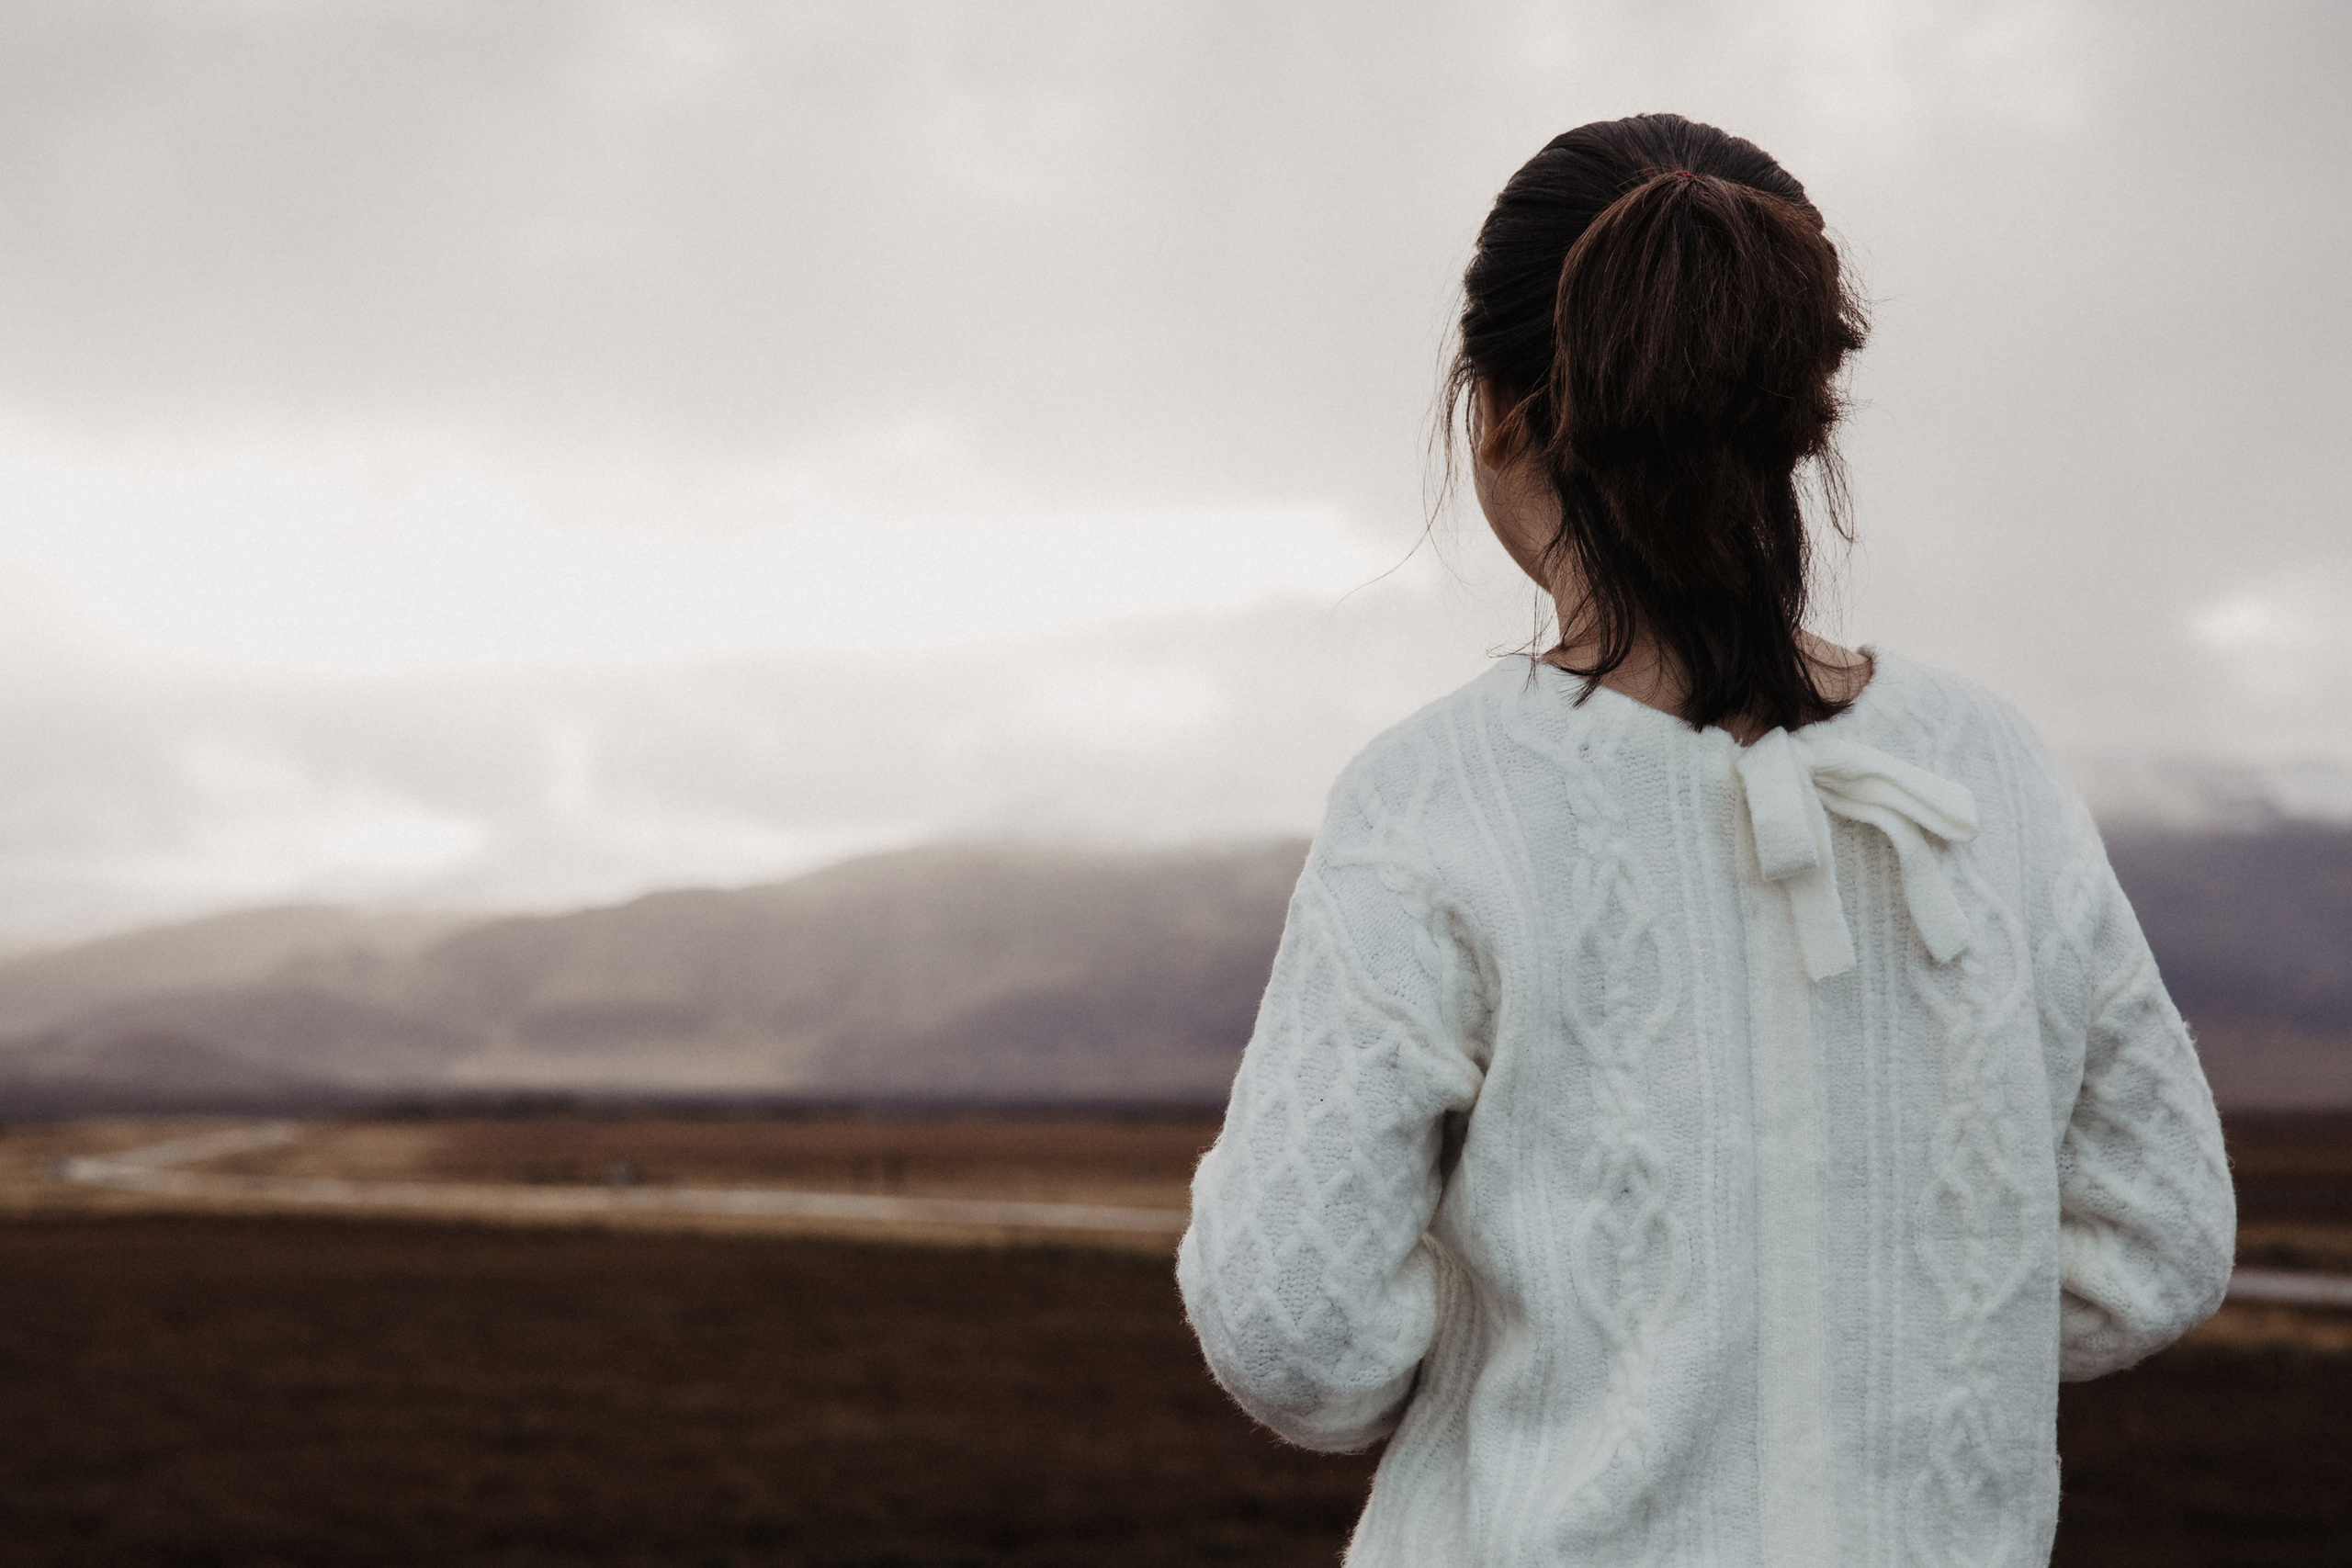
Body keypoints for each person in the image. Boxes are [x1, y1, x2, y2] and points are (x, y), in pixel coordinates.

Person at [1176, 113, 2235, 1567]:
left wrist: (1587, 1345)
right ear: (1803, 414)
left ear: (1497, 413)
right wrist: (1879, 1334)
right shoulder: (1988, 769)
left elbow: (1296, 1330)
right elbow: (2159, 1236)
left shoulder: (1443, 800)